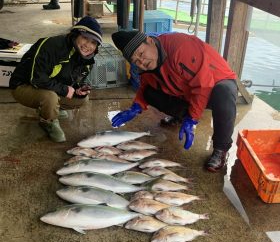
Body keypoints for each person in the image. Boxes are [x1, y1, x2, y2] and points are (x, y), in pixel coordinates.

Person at [111, 30, 238, 172]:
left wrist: (192, 118)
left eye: (141, 54)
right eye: (136, 61)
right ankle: (179, 117)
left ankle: (221, 148)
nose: (142, 62)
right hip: (186, 91)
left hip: (215, 83)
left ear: (150, 41)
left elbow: (203, 85)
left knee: (225, 93)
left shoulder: (180, 47)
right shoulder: (148, 63)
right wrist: (136, 106)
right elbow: (145, 86)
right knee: (150, 93)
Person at [9, 16, 102, 143]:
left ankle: (52, 109)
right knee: (50, 97)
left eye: (93, 42)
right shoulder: (51, 45)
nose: (88, 45)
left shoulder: (87, 60)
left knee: (83, 99)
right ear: (75, 35)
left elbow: (75, 82)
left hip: (48, 87)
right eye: (85, 38)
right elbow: (36, 78)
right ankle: (47, 121)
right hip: (22, 86)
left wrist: (79, 89)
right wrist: (64, 90)